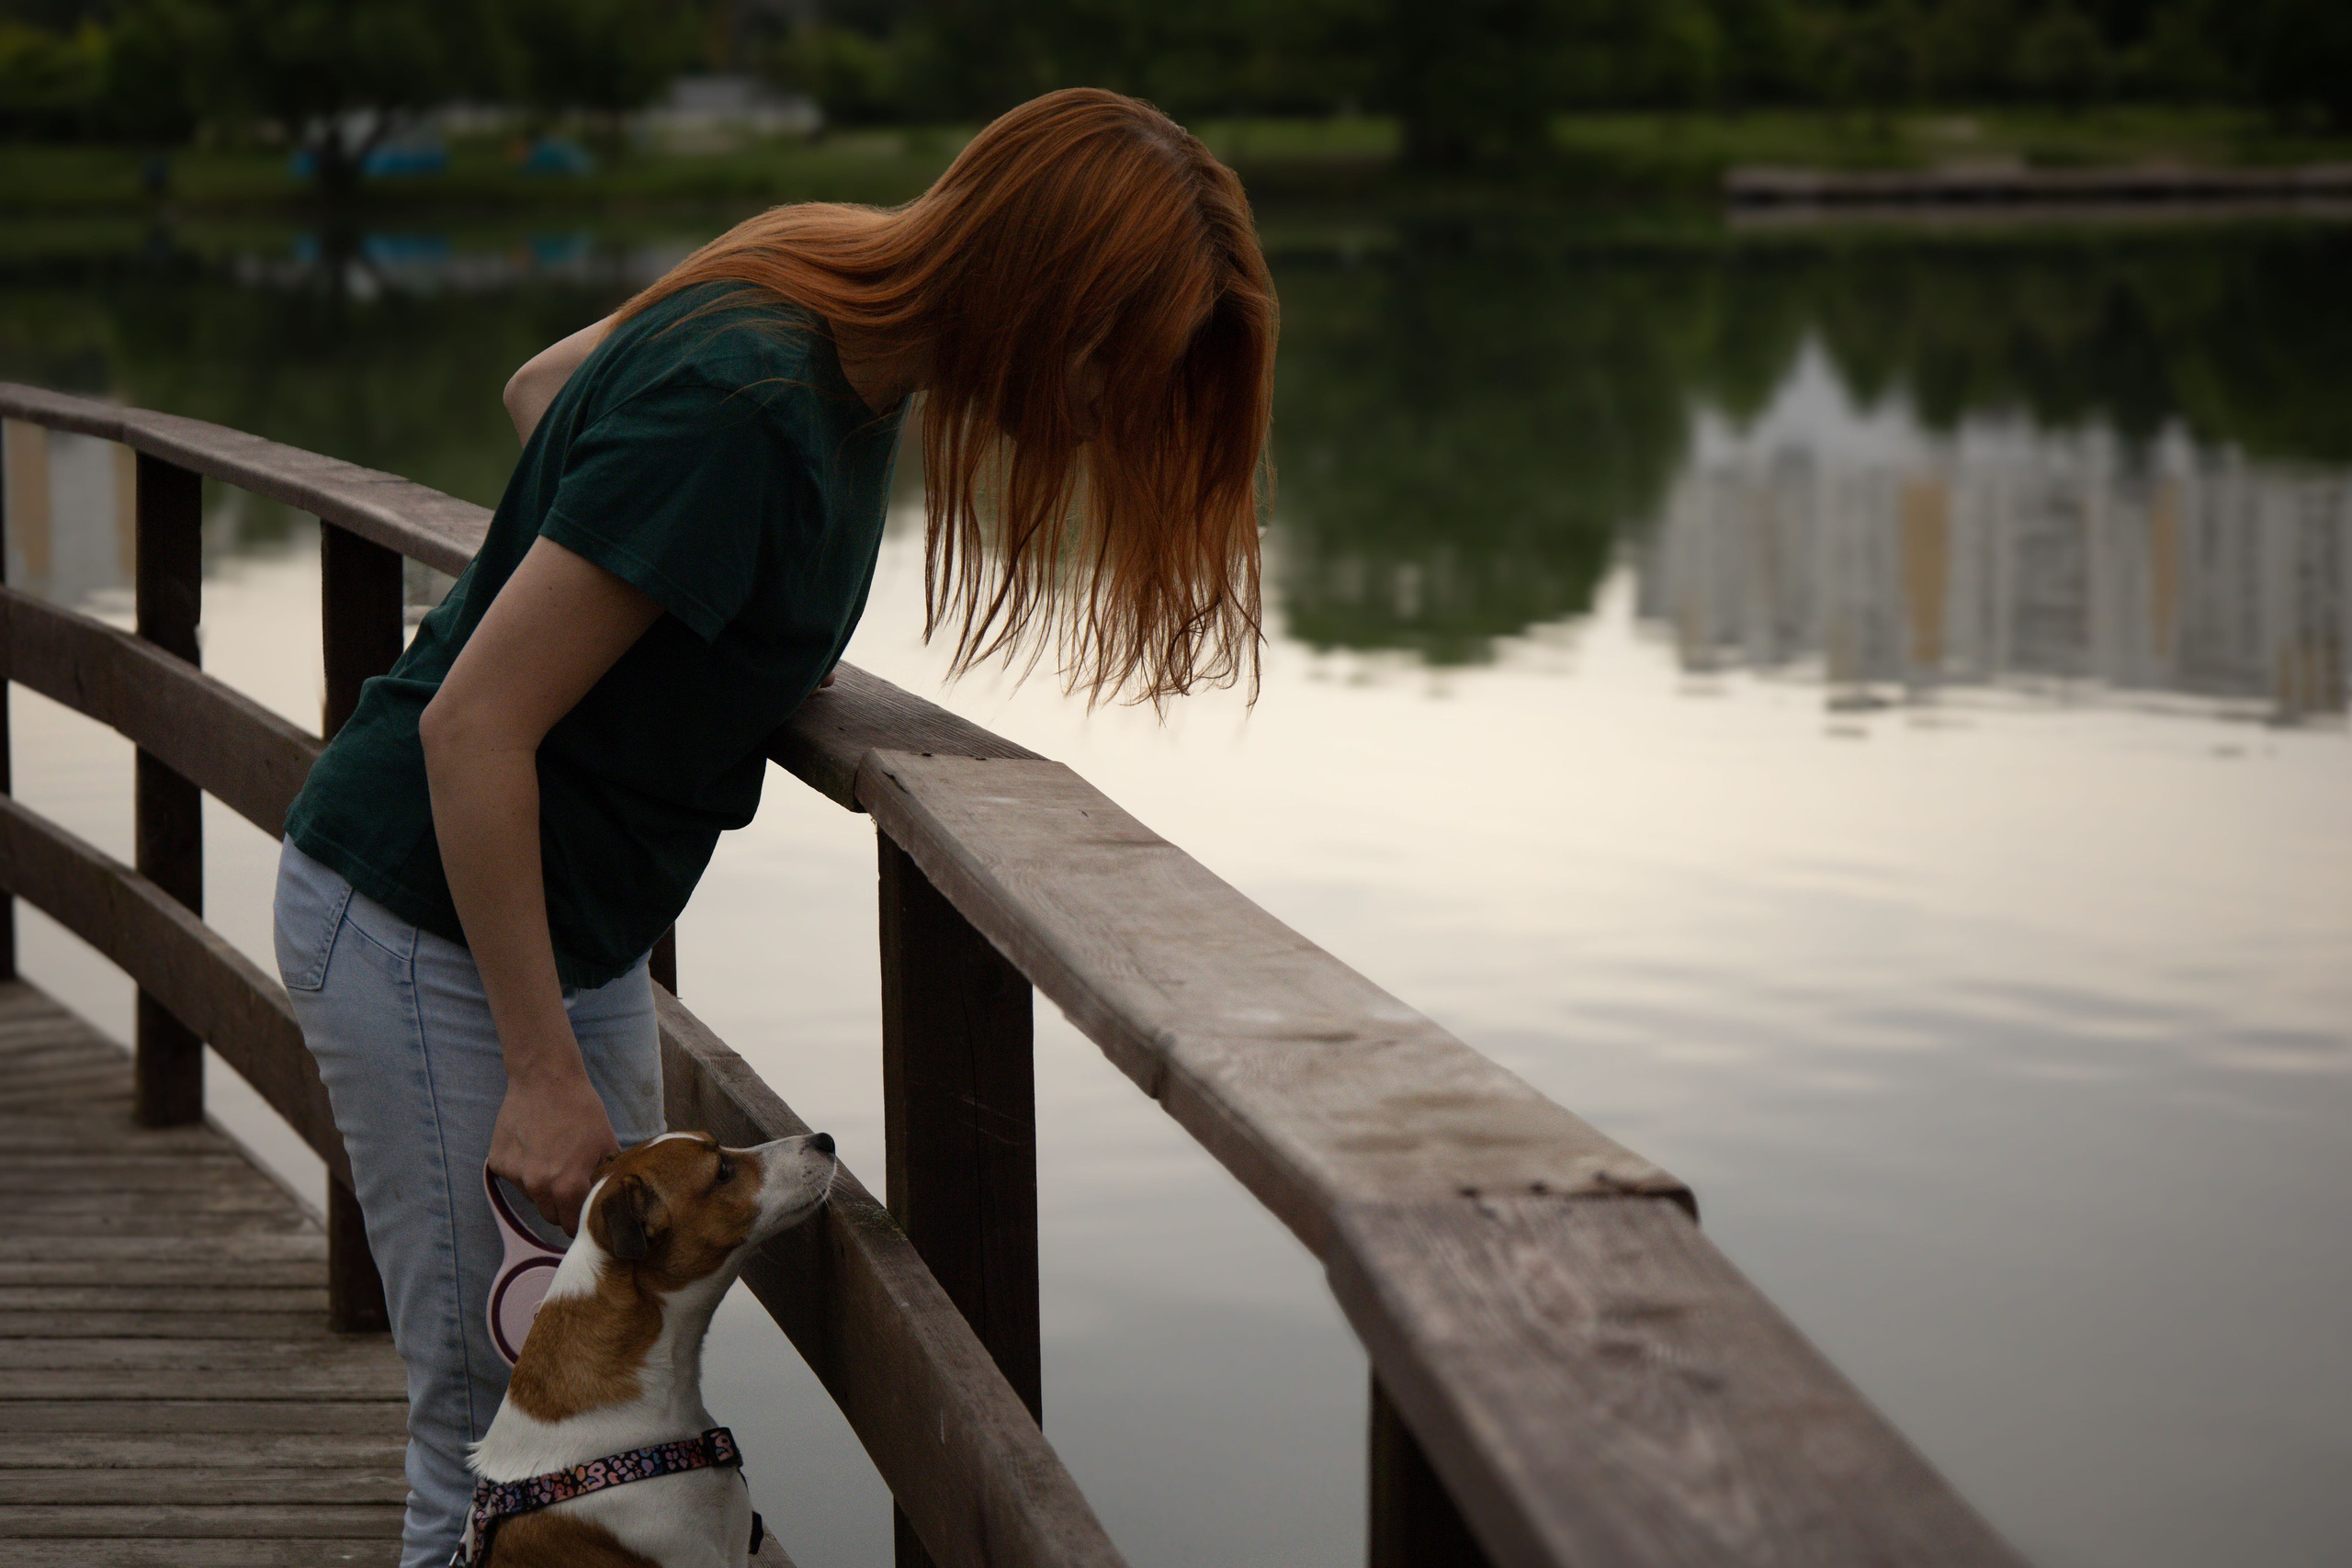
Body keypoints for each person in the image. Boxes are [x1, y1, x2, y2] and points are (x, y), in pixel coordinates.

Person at [270, 86, 1276, 1567]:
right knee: (506, 1436)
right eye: (1108, 363)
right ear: (1043, 289)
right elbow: (471, 724)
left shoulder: (821, 310)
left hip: (554, 924)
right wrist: (543, 1071)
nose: (1102, 410)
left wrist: (678, 586)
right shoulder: (751, 398)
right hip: (436, 923)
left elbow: (546, 388)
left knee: (602, 1410)